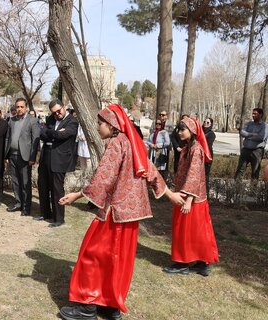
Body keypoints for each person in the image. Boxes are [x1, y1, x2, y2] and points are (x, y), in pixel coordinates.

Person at [57, 105, 184, 320]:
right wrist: (170, 194)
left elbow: (103, 179)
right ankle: (110, 306)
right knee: (118, 260)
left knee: (93, 255)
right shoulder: (132, 142)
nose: (97, 127)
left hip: (114, 213)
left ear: (111, 124)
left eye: (100, 123)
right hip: (131, 215)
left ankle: (88, 307)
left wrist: (77, 195)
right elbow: (150, 170)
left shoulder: (116, 144)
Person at [163, 117, 219, 277]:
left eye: (183, 129)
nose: (179, 132)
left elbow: (194, 176)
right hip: (188, 196)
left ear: (192, 131)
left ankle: (182, 263)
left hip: (191, 199)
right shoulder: (189, 147)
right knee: (196, 232)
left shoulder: (196, 149)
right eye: (179, 129)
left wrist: (188, 200)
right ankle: (202, 263)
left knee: (187, 231)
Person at [36, 99, 78, 227]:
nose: (57, 114)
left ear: (63, 107)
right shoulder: (51, 119)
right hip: (46, 156)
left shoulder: (72, 121)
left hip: (60, 159)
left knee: (57, 189)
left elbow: (64, 136)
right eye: (54, 113)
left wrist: (52, 133)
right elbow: (42, 133)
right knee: (43, 185)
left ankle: (59, 218)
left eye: (59, 111)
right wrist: (54, 133)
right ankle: (45, 213)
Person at [4, 97, 40, 216]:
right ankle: (18, 203)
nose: (19, 109)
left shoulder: (32, 120)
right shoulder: (11, 120)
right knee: (15, 182)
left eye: (21, 107)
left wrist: (33, 157)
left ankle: (26, 207)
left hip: (25, 157)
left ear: (26, 107)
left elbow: (36, 139)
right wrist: (6, 155)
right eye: (17, 107)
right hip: (12, 156)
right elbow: (8, 138)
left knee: (25, 183)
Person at [234, 108, 268, 180]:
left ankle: (253, 190)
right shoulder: (249, 124)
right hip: (245, 150)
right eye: (253, 113)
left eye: (255, 114)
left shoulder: (264, 126)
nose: (253, 115)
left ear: (260, 115)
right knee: (240, 170)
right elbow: (242, 132)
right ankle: (236, 189)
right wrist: (253, 135)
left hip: (257, 151)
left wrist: (248, 135)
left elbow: (261, 137)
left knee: (255, 172)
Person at [202, 117, 216, 192]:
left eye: (207, 123)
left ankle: (205, 192)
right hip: (198, 155)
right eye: (204, 121)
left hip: (207, 155)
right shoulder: (199, 132)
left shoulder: (211, 134)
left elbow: (208, 145)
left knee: (205, 175)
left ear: (211, 124)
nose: (205, 123)